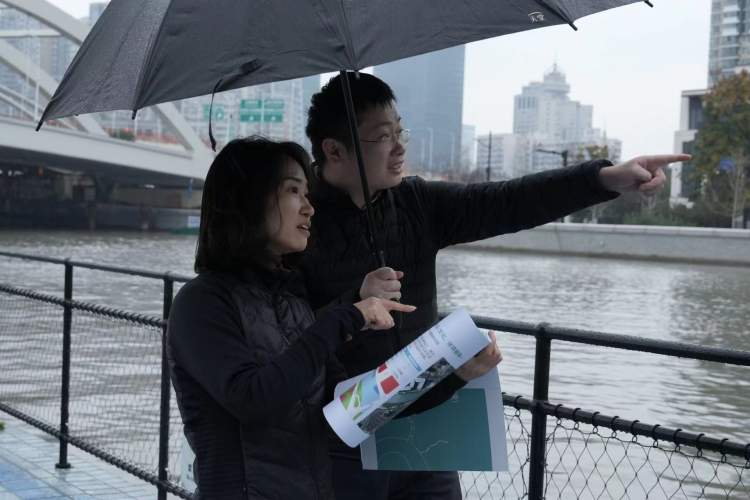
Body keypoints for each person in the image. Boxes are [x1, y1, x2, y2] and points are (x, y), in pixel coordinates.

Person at [301, 72, 690, 500]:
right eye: (382, 137)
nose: (399, 147)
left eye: (400, 132)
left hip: (427, 436)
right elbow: (282, 339)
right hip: (343, 446)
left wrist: (605, 180)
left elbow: (508, 201)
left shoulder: (416, 204)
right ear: (334, 150)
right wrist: (354, 304)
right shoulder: (298, 222)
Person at [166, 137, 415, 499]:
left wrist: (440, 368)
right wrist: (345, 318)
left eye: (307, 194)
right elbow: (252, 399)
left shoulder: (293, 301)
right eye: (294, 191)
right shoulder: (202, 303)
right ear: (249, 200)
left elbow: (345, 412)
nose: (309, 208)